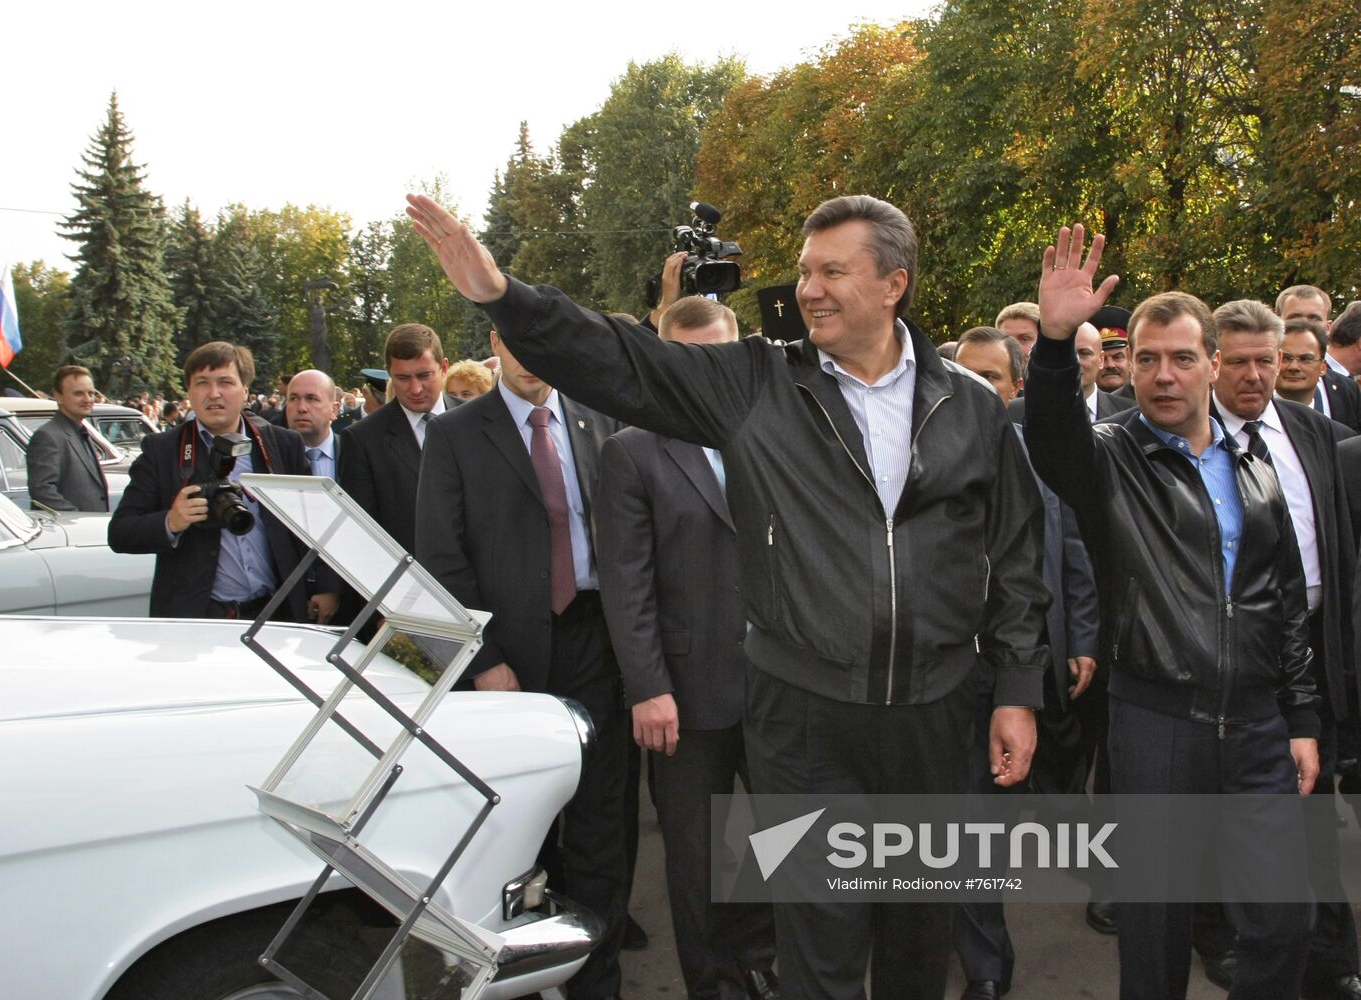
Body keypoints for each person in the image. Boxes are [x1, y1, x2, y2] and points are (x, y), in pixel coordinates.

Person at [406, 190, 1049, 1000]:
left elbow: (1018, 554)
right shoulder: (754, 384)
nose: (807, 288)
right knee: (818, 935)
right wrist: (503, 296)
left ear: (893, 285)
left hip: (933, 714)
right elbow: (620, 360)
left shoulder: (968, 406)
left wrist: (1017, 690)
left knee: (919, 932)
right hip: (804, 720)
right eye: (805, 270)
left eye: (832, 271)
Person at [1025, 225, 1320, 1000]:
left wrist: (1300, 717)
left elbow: (1283, 598)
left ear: (1213, 366)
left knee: (1284, 917)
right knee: (1152, 931)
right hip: (1155, 723)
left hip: (1255, 726)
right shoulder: (1111, 457)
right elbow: (1051, 437)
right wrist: (1055, 343)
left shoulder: (1252, 462)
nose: (1162, 375)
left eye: (1182, 357)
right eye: (1147, 358)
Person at [415, 328, 625, 1000]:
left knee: (603, 828)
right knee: (518, 836)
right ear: (492, 347)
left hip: (600, 648)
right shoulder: (455, 435)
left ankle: (599, 984)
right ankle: (522, 983)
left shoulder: (598, 421)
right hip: (510, 662)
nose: (534, 359)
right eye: (519, 345)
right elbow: (440, 560)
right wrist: (484, 659)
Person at [594, 295, 778, 1000]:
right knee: (698, 859)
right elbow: (625, 583)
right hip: (683, 691)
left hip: (778, 685)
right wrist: (646, 686)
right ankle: (713, 982)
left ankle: (761, 962)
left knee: (774, 840)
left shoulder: (771, 432)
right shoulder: (631, 450)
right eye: (688, 356)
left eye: (718, 354)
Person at [1200, 300, 1360, 1000]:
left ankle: (1327, 954)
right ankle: (1228, 940)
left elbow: (1338, 548)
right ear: (1211, 362)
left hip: (1314, 658)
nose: (1255, 375)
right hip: (1222, 662)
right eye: (1236, 361)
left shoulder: (1316, 434)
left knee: (1308, 807)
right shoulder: (1180, 438)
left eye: (1266, 360)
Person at [952, 327, 1100, 998]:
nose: (976, 387)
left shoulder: (1041, 457)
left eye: (991, 376)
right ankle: (977, 958)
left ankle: (983, 957)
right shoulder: (916, 453)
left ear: (1015, 387)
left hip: (1018, 661)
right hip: (940, 669)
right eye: (965, 373)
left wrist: (1081, 636)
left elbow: (1068, 548)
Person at [107, 342, 336, 623]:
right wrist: (171, 521)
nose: (214, 394)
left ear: (245, 391)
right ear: (189, 392)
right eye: (202, 383)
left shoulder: (281, 444)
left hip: (277, 613)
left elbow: (316, 522)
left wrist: (328, 588)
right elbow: (120, 532)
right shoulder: (164, 450)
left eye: (225, 382)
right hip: (197, 618)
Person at [338, 324, 458, 554]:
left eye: (424, 376)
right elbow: (362, 531)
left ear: (444, 367)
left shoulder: (477, 421)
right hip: (407, 579)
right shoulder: (362, 439)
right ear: (389, 374)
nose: (415, 389)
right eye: (402, 378)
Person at [1007, 321, 1135, 424]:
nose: (1075, 362)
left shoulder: (1130, 412)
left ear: (1101, 359)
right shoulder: (1014, 412)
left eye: (1084, 353)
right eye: (1066, 354)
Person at [26, 364, 108, 512]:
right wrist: (78, 521)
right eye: (78, 393)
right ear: (58, 396)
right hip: (72, 530)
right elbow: (42, 492)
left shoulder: (81, 431)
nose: (88, 399)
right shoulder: (47, 436)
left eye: (91, 393)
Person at [1278, 286, 1361, 432]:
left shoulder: (1347, 389)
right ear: (1276, 322)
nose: (1304, 326)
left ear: (1328, 327)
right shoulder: (1256, 384)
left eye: (1314, 319)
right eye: (1295, 318)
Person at [284, 369, 339, 479]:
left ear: (334, 410)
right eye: (293, 398)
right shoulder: (272, 456)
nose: (301, 408)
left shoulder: (354, 454)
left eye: (312, 399)